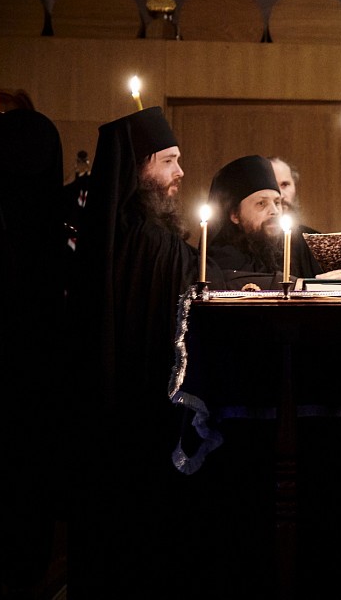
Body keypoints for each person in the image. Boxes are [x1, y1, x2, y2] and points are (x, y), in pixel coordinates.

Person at [66, 106, 226, 594]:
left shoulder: (111, 233)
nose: (180, 172)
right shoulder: (153, 241)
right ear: (139, 166)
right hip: (145, 410)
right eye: (169, 161)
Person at [207, 154, 321, 283]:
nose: (275, 211)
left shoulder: (303, 245)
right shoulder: (221, 258)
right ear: (235, 215)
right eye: (261, 203)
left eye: (277, 202)